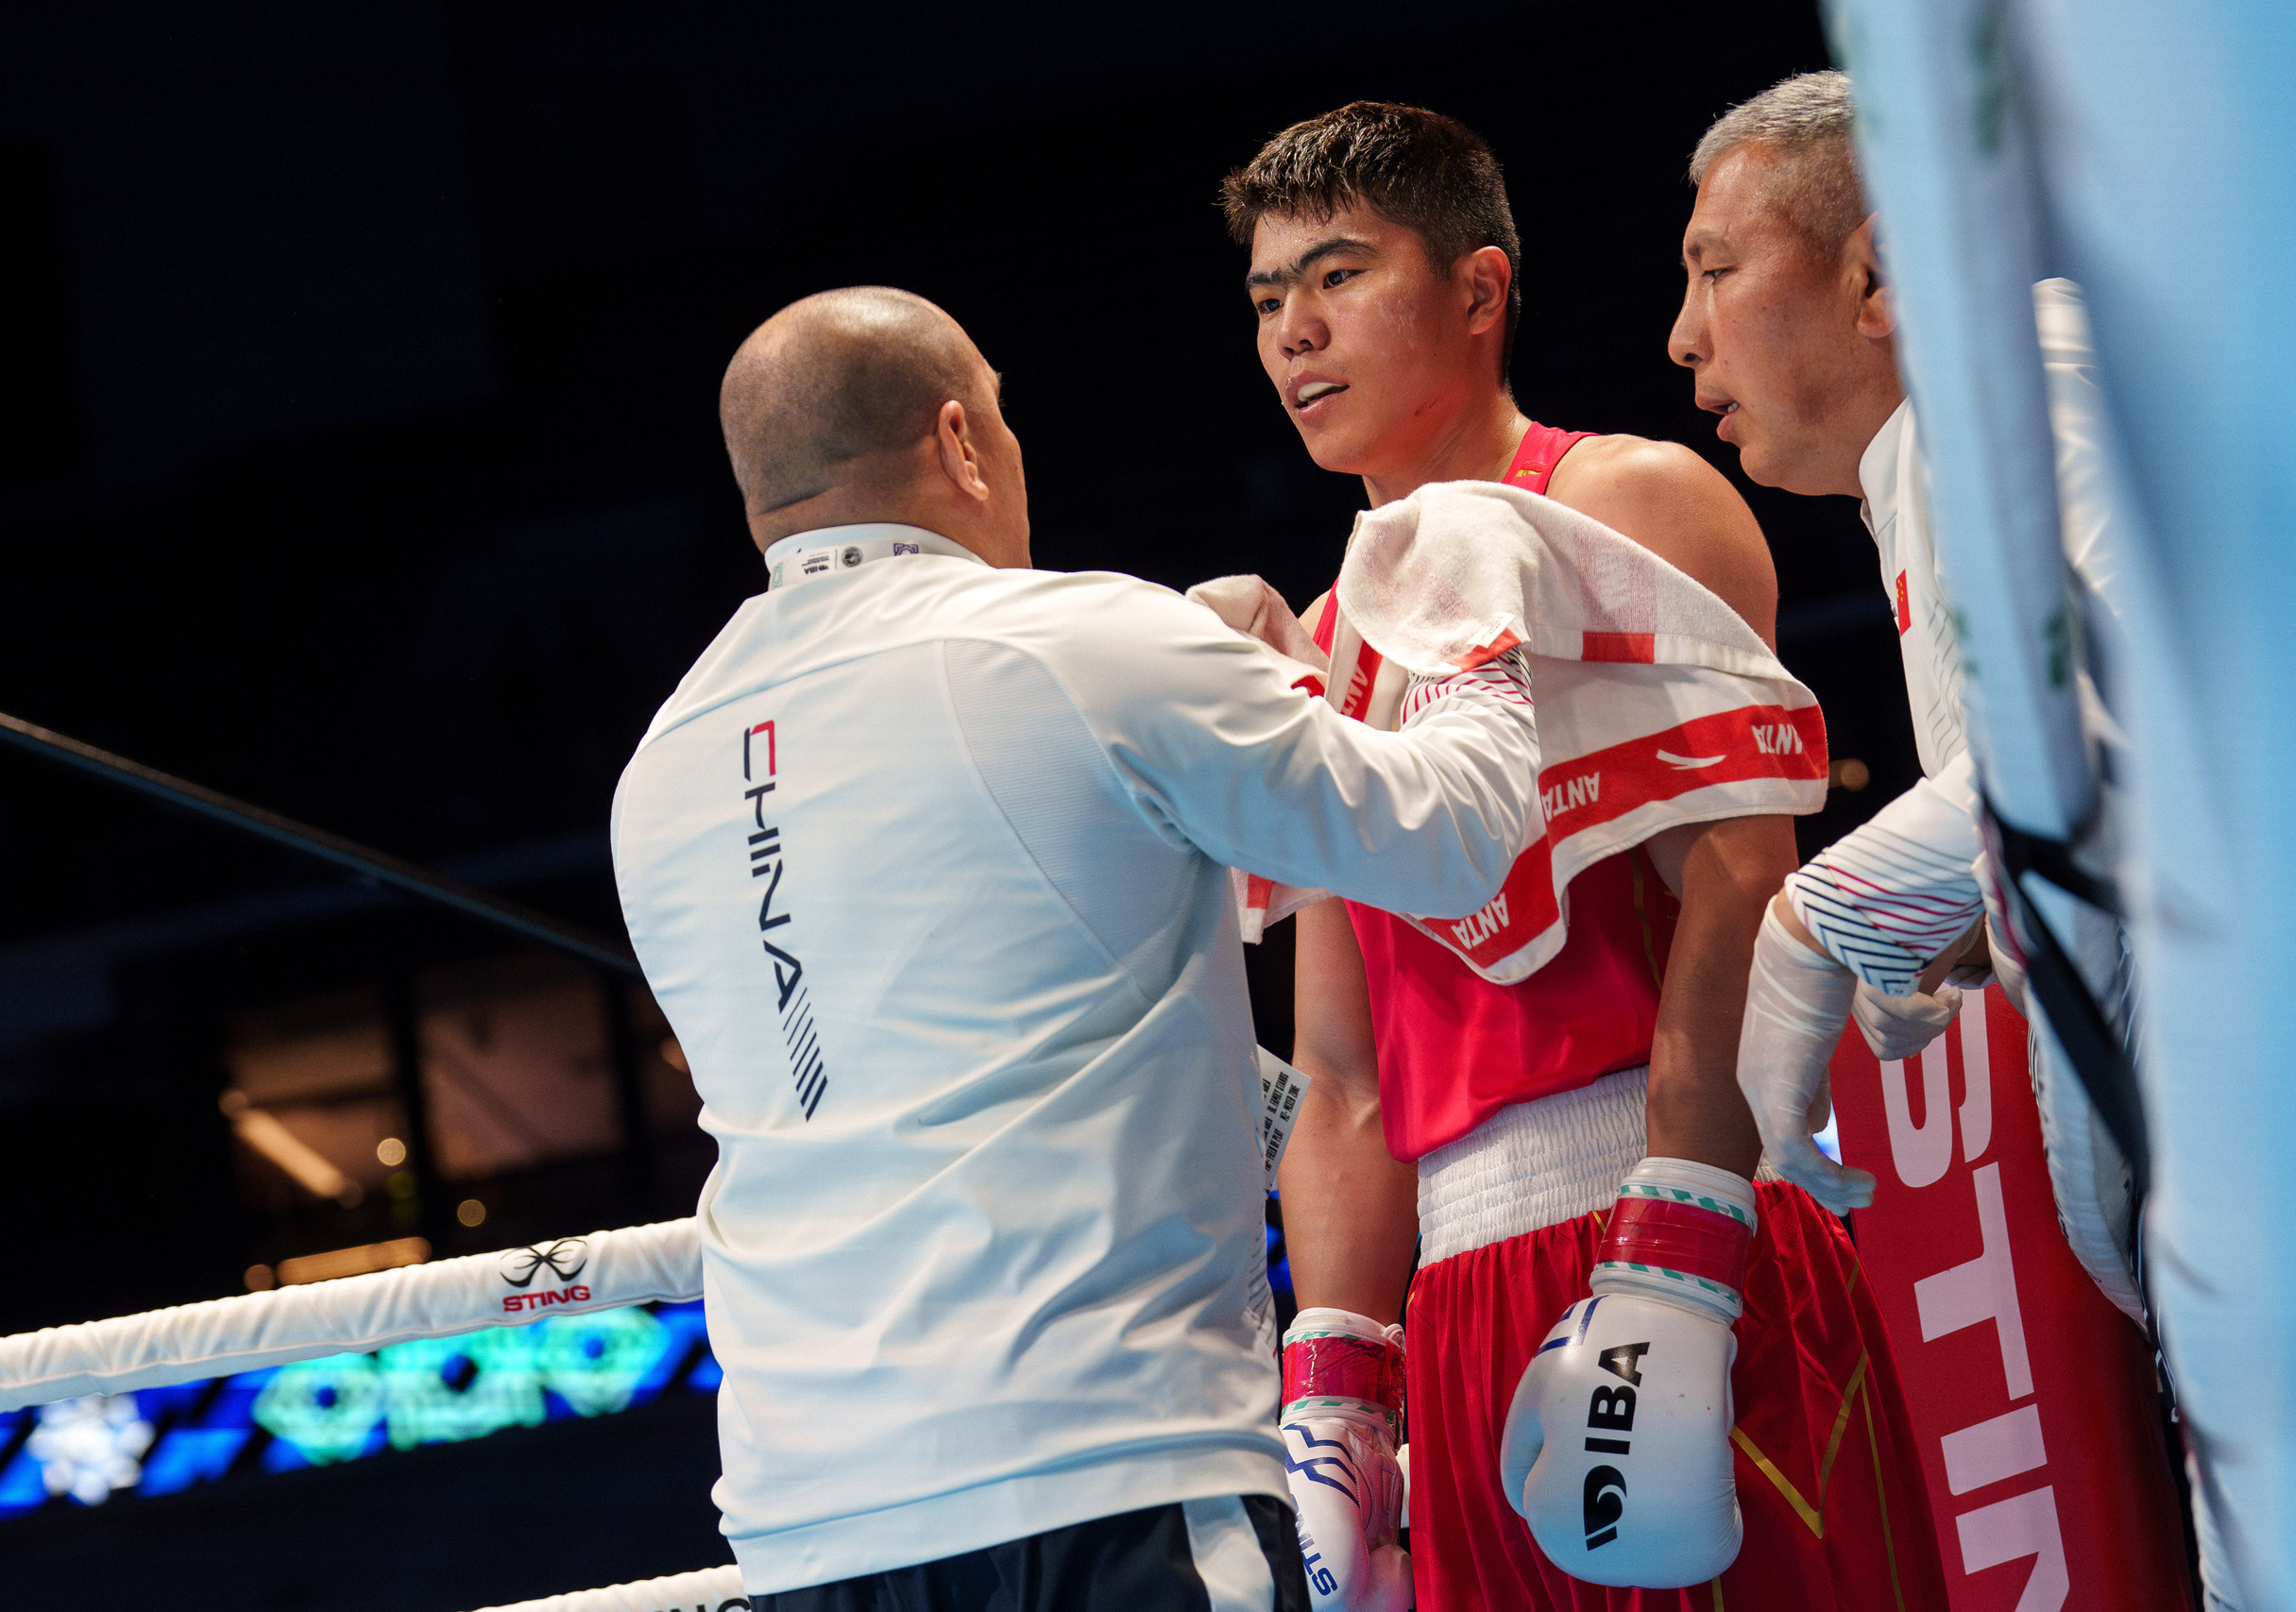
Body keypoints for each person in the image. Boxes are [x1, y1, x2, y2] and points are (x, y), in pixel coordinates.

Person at [610, 285, 1552, 1610]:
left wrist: (1209, 709)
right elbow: (1457, 839)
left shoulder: (658, 766)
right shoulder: (1082, 639)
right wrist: (1465, 615)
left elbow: (992, 968)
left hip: (807, 1524)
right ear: (961, 440)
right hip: (1109, 1471)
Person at [1218, 103, 1945, 1610]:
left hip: (1685, 1216)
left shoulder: (1624, 499)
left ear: (1479, 290)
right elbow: (1343, 1074)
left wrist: (1675, 1251)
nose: (1296, 331)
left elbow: (1740, 879)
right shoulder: (1333, 641)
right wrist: (1339, 1389)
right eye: (1269, 297)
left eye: (1340, 276)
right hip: (1463, 1301)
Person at [1673, 71, 2194, 1610]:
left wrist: (1822, 918)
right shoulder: (1945, 459)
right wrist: (1984, 928)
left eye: (1714, 270)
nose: (1684, 339)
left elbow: (2140, 706)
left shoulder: (2014, 388)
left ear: (1882, 272)